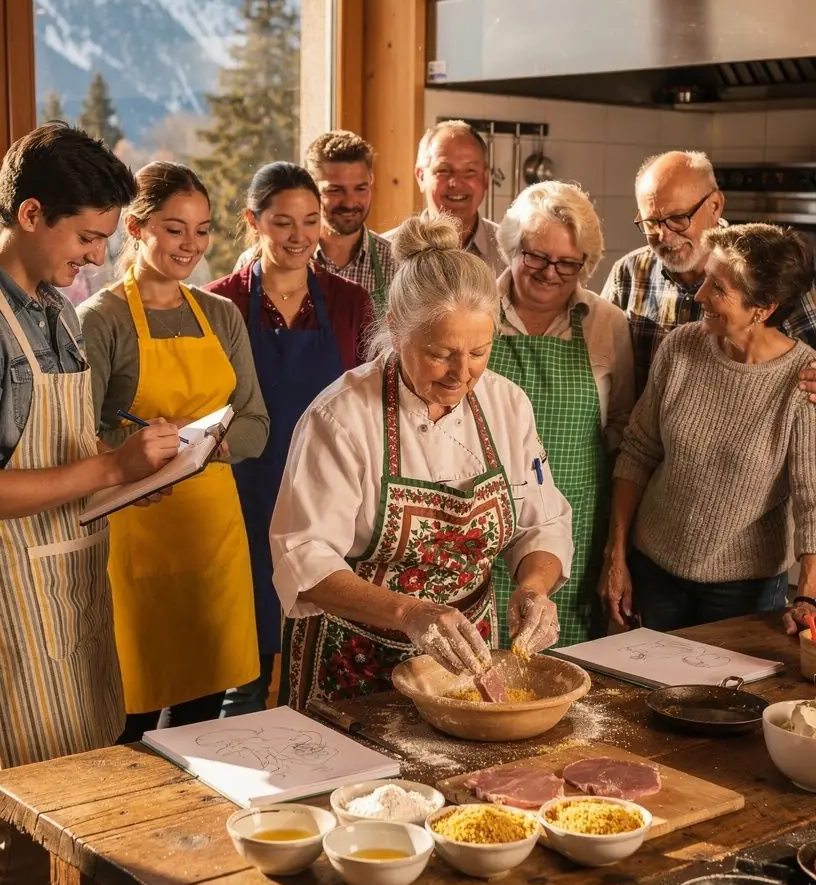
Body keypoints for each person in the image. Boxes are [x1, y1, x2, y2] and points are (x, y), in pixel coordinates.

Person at [0, 124, 179, 885]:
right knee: (18, 852)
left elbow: (63, 461)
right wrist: (105, 473)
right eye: (87, 238)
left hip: (67, 593)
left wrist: (130, 473)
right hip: (11, 617)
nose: (96, 259)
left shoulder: (55, 314)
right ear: (31, 217)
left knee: (73, 831)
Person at [80, 161, 268, 885]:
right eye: (172, 231)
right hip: (131, 538)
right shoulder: (102, 319)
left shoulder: (221, 315)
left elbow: (258, 418)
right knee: (125, 753)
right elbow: (77, 430)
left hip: (211, 537)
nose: (190, 247)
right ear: (137, 229)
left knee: (197, 756)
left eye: (202, 233)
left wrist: (212, 446)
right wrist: (138, 445)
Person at [270, 214, 574, 708]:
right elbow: (304, 554)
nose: (461, 374)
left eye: (479, 351)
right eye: (439, 354)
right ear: (395, 329)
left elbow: (543, 521)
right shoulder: (341, 417)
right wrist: (408, 612)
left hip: (466, 660)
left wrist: (535, 587)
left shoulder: (507, 404)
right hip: (352, 661)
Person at [208, 162, 372, 716]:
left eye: (310, 221)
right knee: (244, 661)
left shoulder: (350, 304)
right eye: (282, 223)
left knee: (322, 651)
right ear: (254, 222)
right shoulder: (218, 304)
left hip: (329, 499)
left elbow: (369, 404)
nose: (300, 237)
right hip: (242, 495)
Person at [599, 223, 816, 633]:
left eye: (718, 289)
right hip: (653, 571)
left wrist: (807, 594)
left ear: (763, 307)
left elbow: (812, 502)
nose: (699, 296)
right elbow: (638, 452)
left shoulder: (802, 382)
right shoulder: (681, 347)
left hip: (743, 590)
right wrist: (617, 556)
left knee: (728, 698)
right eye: (705, 280)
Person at [491, 181, 635, 645]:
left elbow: (621, 428)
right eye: (536, 256)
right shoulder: (475, 312)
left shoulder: (607, 324)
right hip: (482, 523)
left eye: (568, 263)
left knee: (559, 666)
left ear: (585, 266)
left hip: (572, 530)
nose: (550, 272)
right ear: (512, 248)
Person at [602, 149, 816, 396]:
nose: (664, 235)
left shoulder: (768, 273)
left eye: (677, 218)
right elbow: (601, 367)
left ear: (715, 206)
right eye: (651, 222)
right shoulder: (628, 273)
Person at [385, 120, 504, 276]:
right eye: (443, 170)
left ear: (486, 178)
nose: (456, 182)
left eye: (469, 171)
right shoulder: (386, 252)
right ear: (421, 177)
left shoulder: (511, 252)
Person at [305, 130, 395, 316]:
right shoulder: (277, 260)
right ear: (310, 188)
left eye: (360, 189)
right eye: (335, 190)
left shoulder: (397, 264)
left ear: (371, 182)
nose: (350, 202)